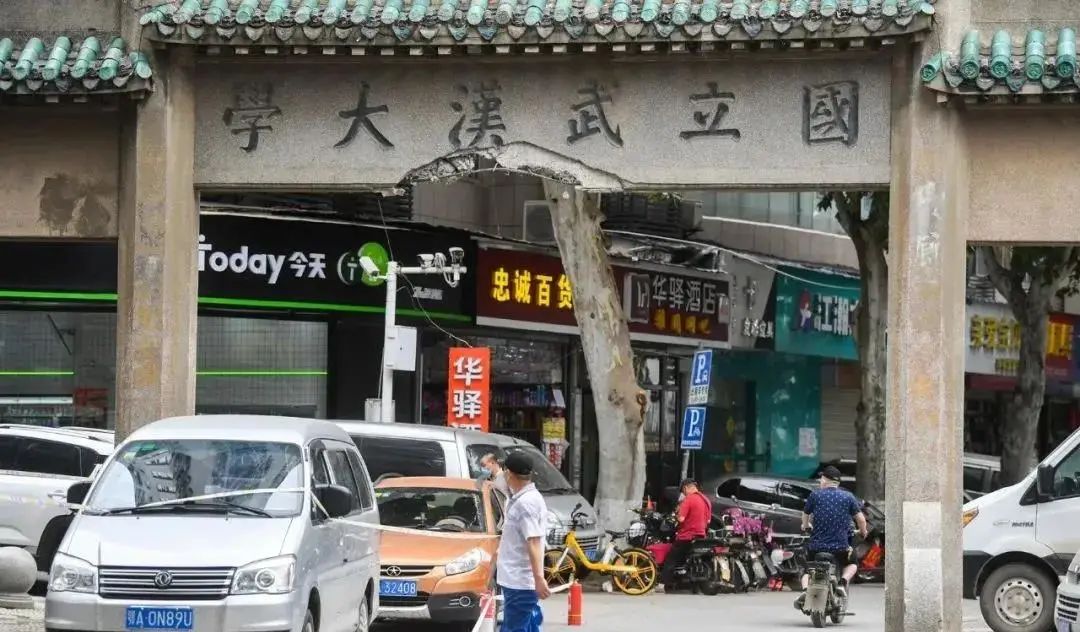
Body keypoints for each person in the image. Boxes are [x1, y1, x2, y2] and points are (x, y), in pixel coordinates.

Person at [795, 465, 869, 609]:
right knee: (852, 564)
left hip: (817, 547)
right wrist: (863, 531)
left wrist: (806, 525)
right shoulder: (848, 497)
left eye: (821, 479)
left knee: (807, 569)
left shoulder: (815, 495)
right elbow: (861, 519)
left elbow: (805, 514)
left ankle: (805, 590)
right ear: (838, 482)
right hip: (840, 547)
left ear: (824, 480)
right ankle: (842, 582)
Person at [497, 451, 550, 632]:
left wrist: (539, 579)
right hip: (516, 580)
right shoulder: (522, 499)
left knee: (513, 629)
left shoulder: (526, 503)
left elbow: (533, 541)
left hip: (520, 581)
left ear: (509, 473)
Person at [659, 478, 712, 592]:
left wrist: (678, 512)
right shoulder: (706, 500)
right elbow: (708, 521)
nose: (683, 494)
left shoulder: (688, 499)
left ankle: (662, 584)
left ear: (686, 488)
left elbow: (681, 519)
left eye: (683, 491)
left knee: (671, 558)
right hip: (701, 536)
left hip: (687, 536)